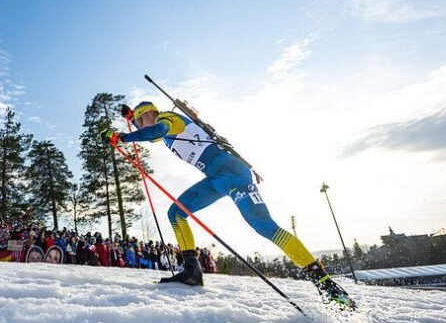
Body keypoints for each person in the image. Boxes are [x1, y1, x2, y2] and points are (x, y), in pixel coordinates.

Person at [100, 101, 355, 309]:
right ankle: (192, 270)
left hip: (233, 173)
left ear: (150, 114)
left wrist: (122, 137)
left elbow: (154, 131)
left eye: (139, 119)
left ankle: (325, 284)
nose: (136, 124)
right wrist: (128, 116)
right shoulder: (161, 127)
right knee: (177, 212)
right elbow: (149, 131)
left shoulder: (168, 119)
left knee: (264, 227)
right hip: (215, 179)